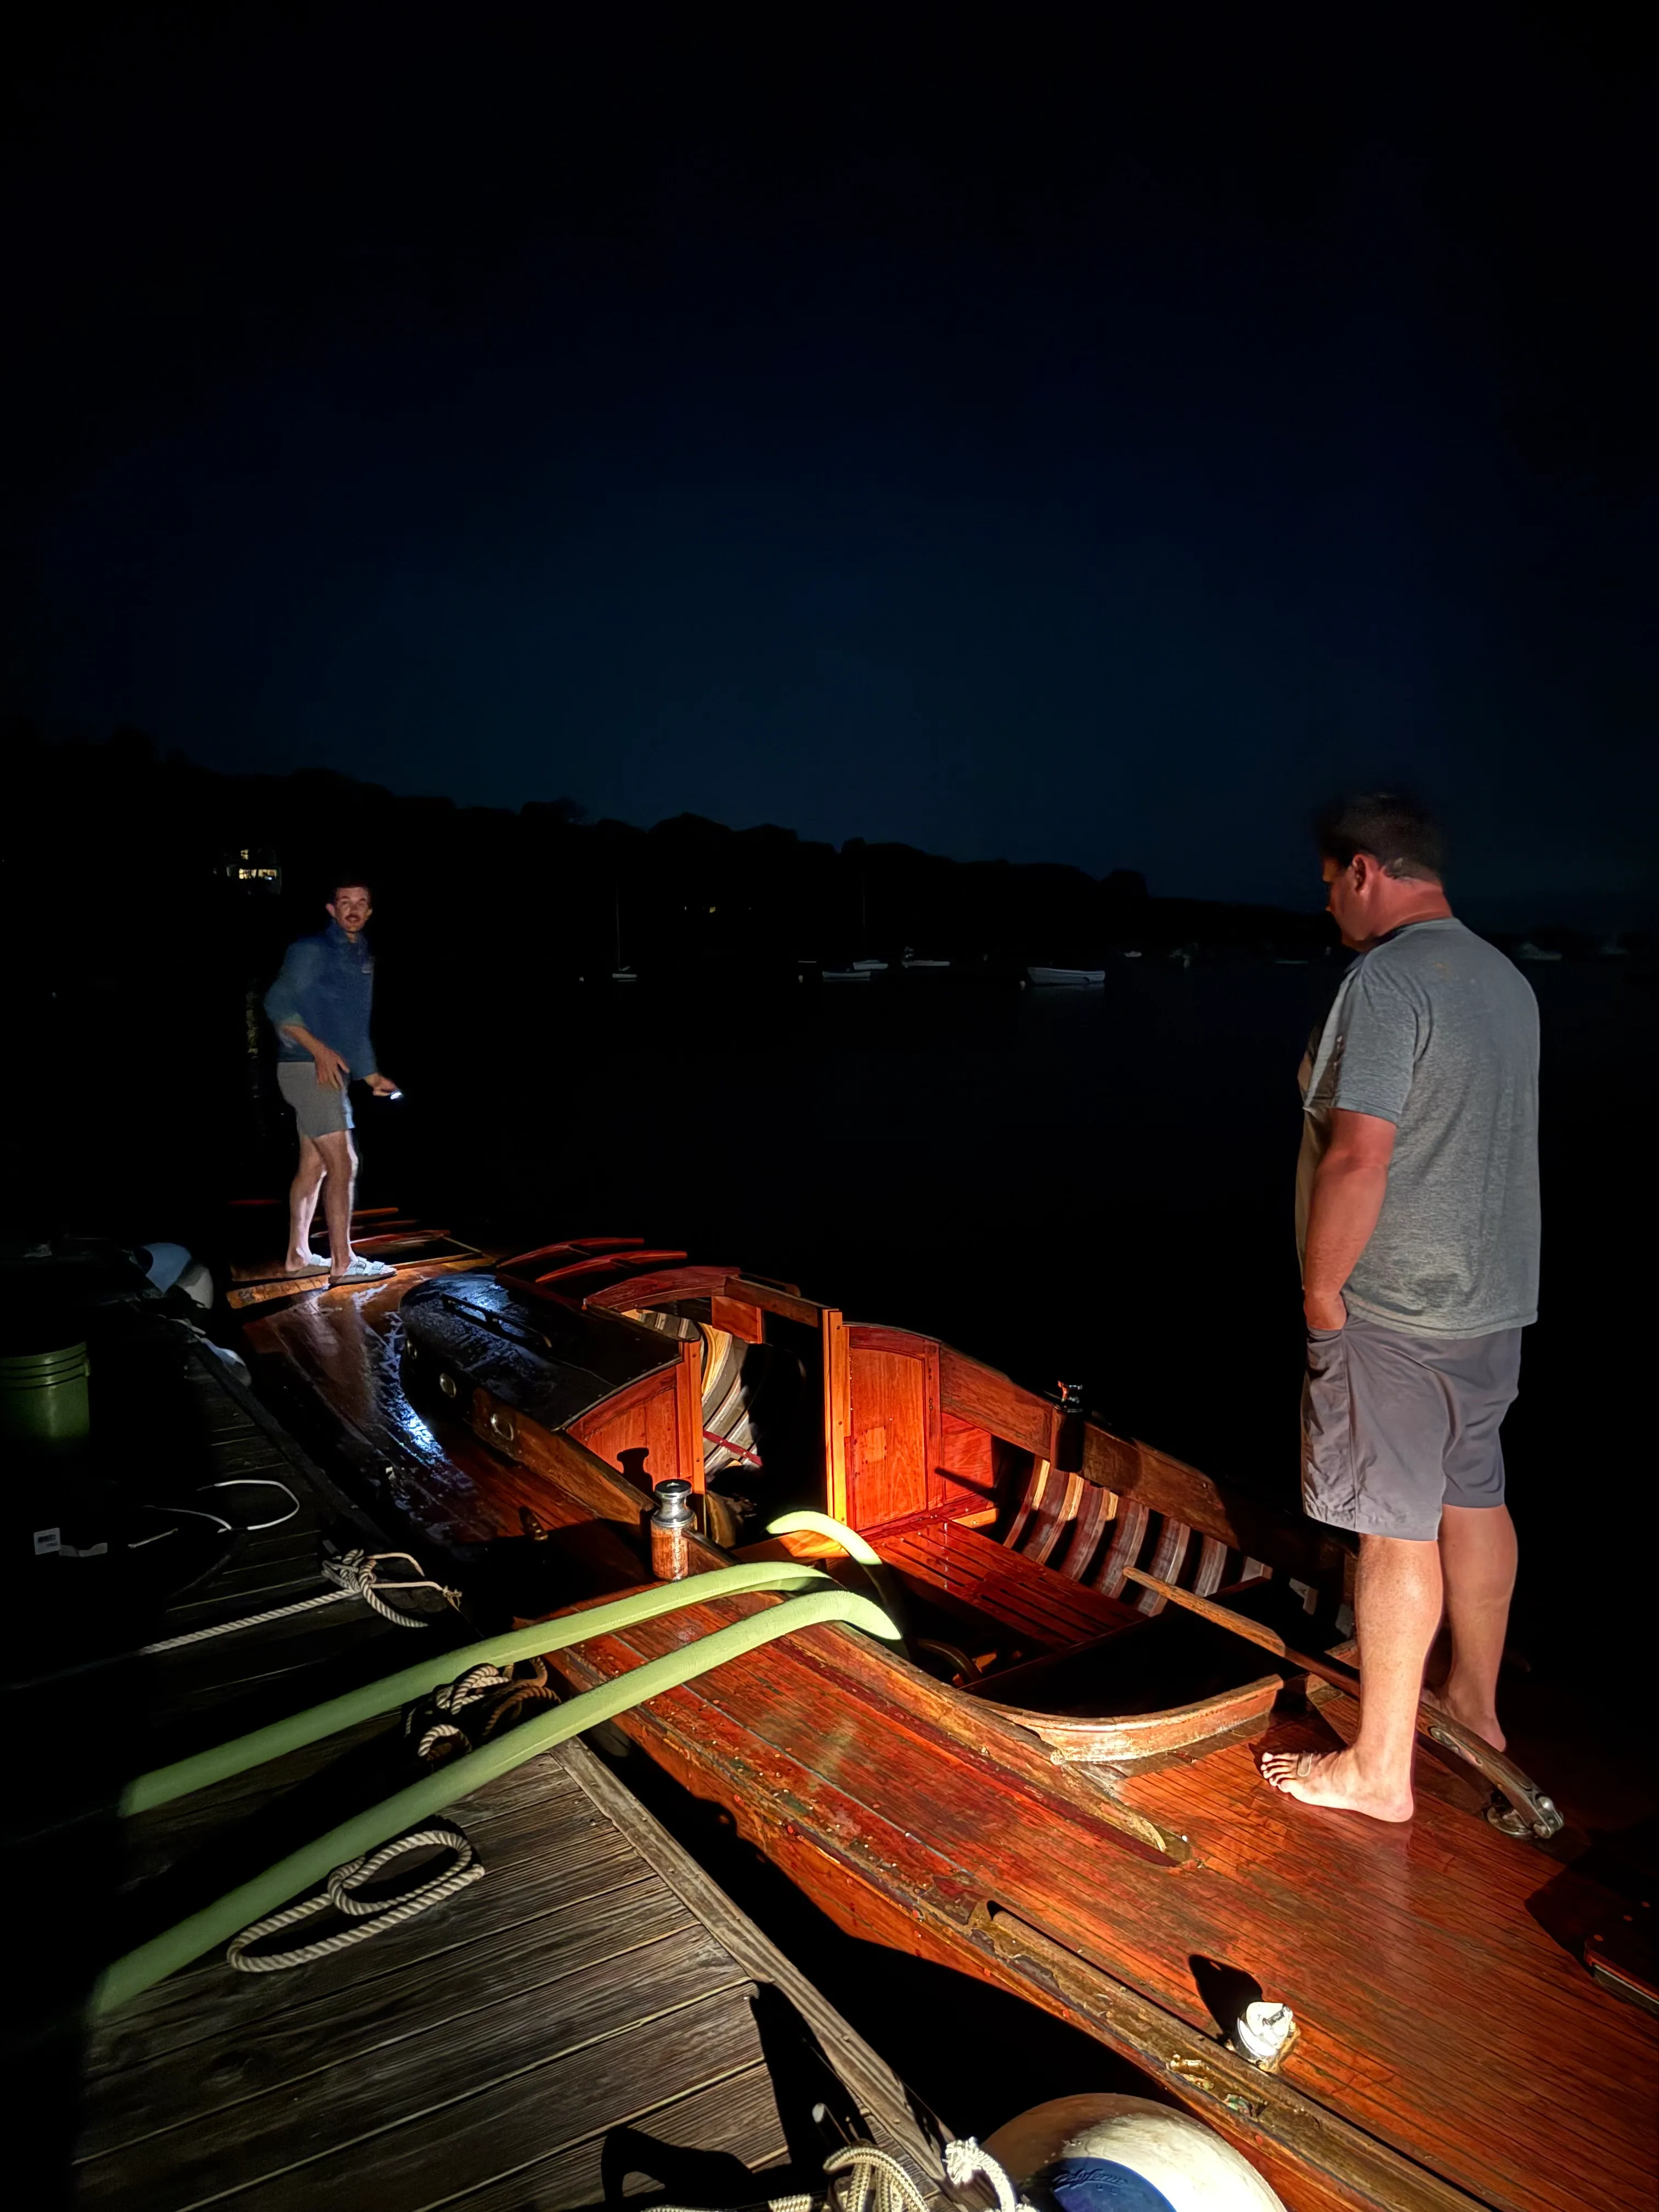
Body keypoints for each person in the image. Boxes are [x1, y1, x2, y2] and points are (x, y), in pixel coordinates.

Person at [1262, 793, 1539, 1823]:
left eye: (1330, 882)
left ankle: (1377, 1771)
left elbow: (1358, 1151)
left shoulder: (1386, 981)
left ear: (1363, 871)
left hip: (1395, 1301)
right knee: (1474, 1493)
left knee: (1390, 1527)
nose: (1328, 903)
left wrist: (1324, 1289)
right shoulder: (1502, 978)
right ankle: (1473, 1700)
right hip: (1492, 1296)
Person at [263, 879, 402, 1285]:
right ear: (332, 909)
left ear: (370, 912)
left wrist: (371, 1074)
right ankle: (343, 1263)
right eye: (345, 903)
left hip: (322, 1068)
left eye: (362, 903)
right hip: (307, 1066)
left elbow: (351, 1026)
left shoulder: (358, 954)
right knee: (345, 1162)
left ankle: (298, 1257)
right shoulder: (312, 950)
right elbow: (277, 1003)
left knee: (314, 1165)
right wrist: (318, 1049)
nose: (354, 909)